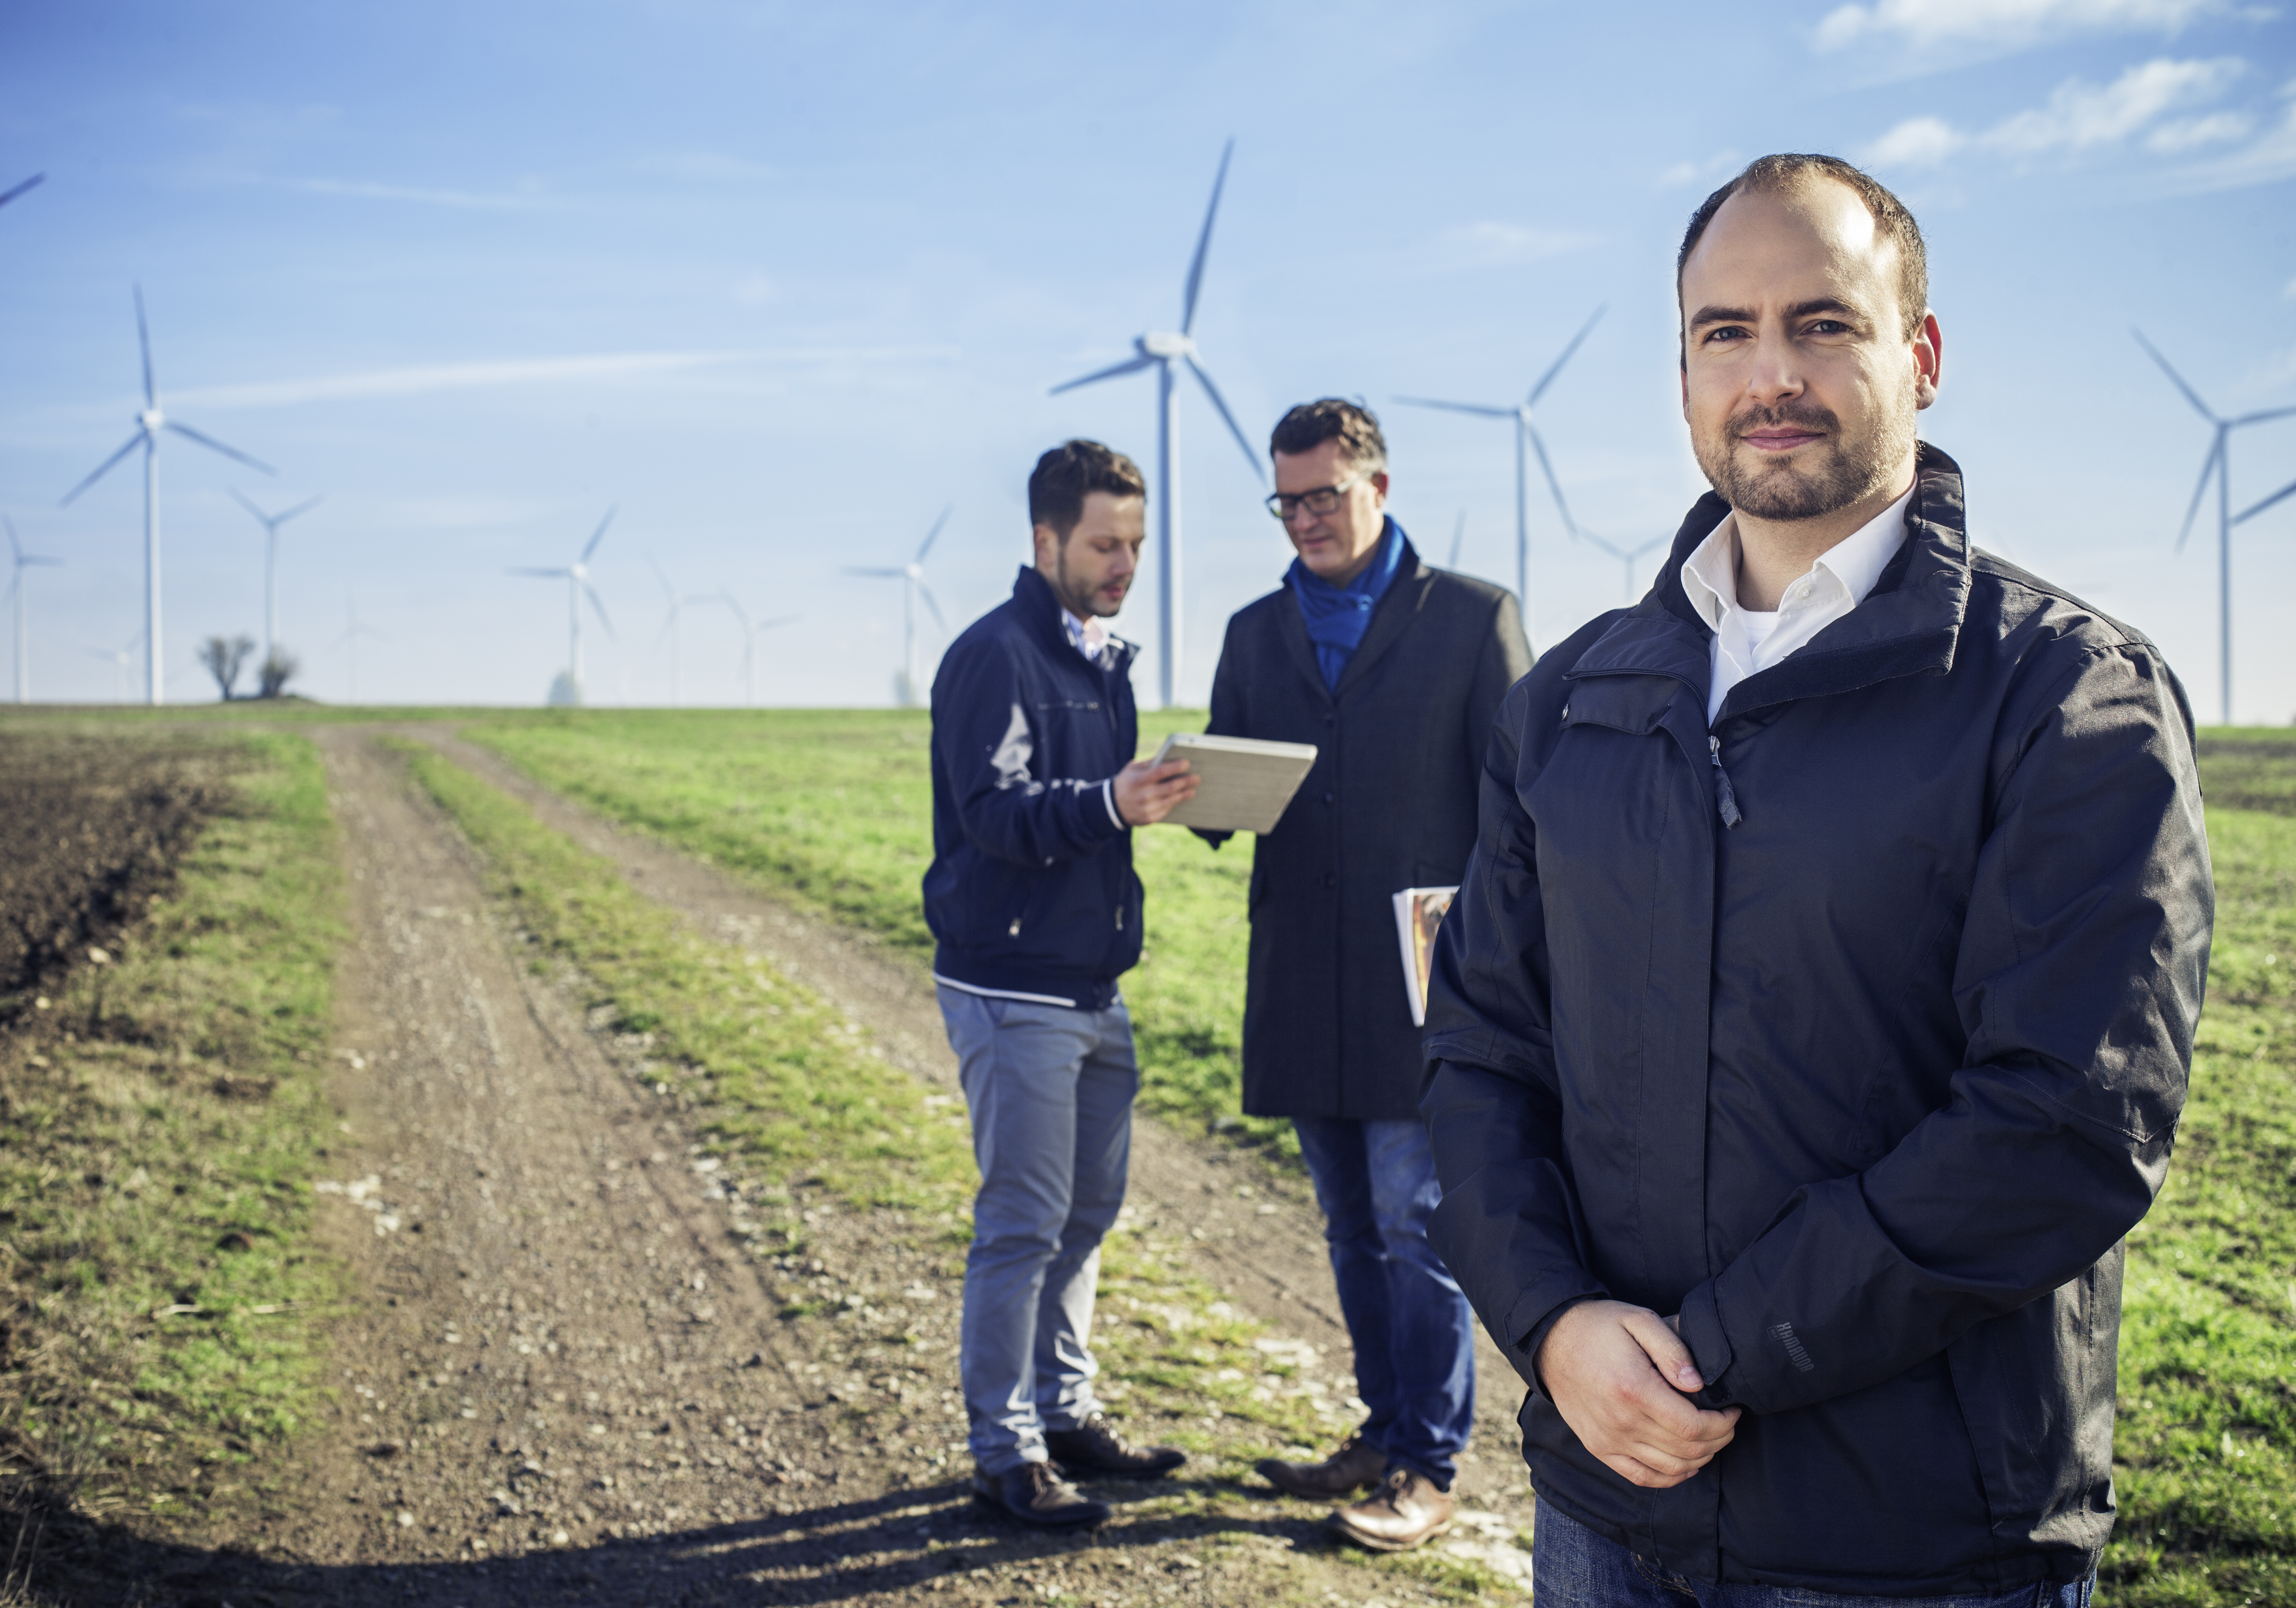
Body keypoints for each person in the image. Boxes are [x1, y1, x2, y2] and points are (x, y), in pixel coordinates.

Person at [1421, 153, 2212, 1605]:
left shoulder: (2067, 697)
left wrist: (1709, 1355)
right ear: (1682, 377)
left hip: (1913, 1550)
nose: (1769, 372)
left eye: (1823, 324)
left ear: (1918, 355)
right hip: (1607, 1517)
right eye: (1726, 331)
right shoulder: (1569, 705)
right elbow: (1479, 1049)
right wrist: (1553, 1327)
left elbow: (2064, 1124)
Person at [1200, 400, 1533, 1551]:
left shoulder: (1476, 619)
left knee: (1414, 1225)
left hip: (1424, 989)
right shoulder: (1252, 632)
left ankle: (1428, 1469)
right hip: (1299, 979)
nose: (1302, 520)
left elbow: (1523, 804)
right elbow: (1231, 788)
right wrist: (1187, 791)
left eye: (1322, 497)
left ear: (1378, 487)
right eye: (1284, 502)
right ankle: (1381, 1428)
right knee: (1347, 1227)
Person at [925, 439, 1201, 1528]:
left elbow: (1094, 803)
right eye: (1103, 543)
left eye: (1135, 543)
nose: (1125, 561)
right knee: (1023, 1224)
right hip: (1015, 985)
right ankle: (1003, 1453)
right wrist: (1108, 805)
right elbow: (994, 815)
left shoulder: (1101, 659)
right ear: (1045, 542)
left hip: (1092, 984)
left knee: (1085, 1216)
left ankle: (1063, 1412)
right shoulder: (995, 656)